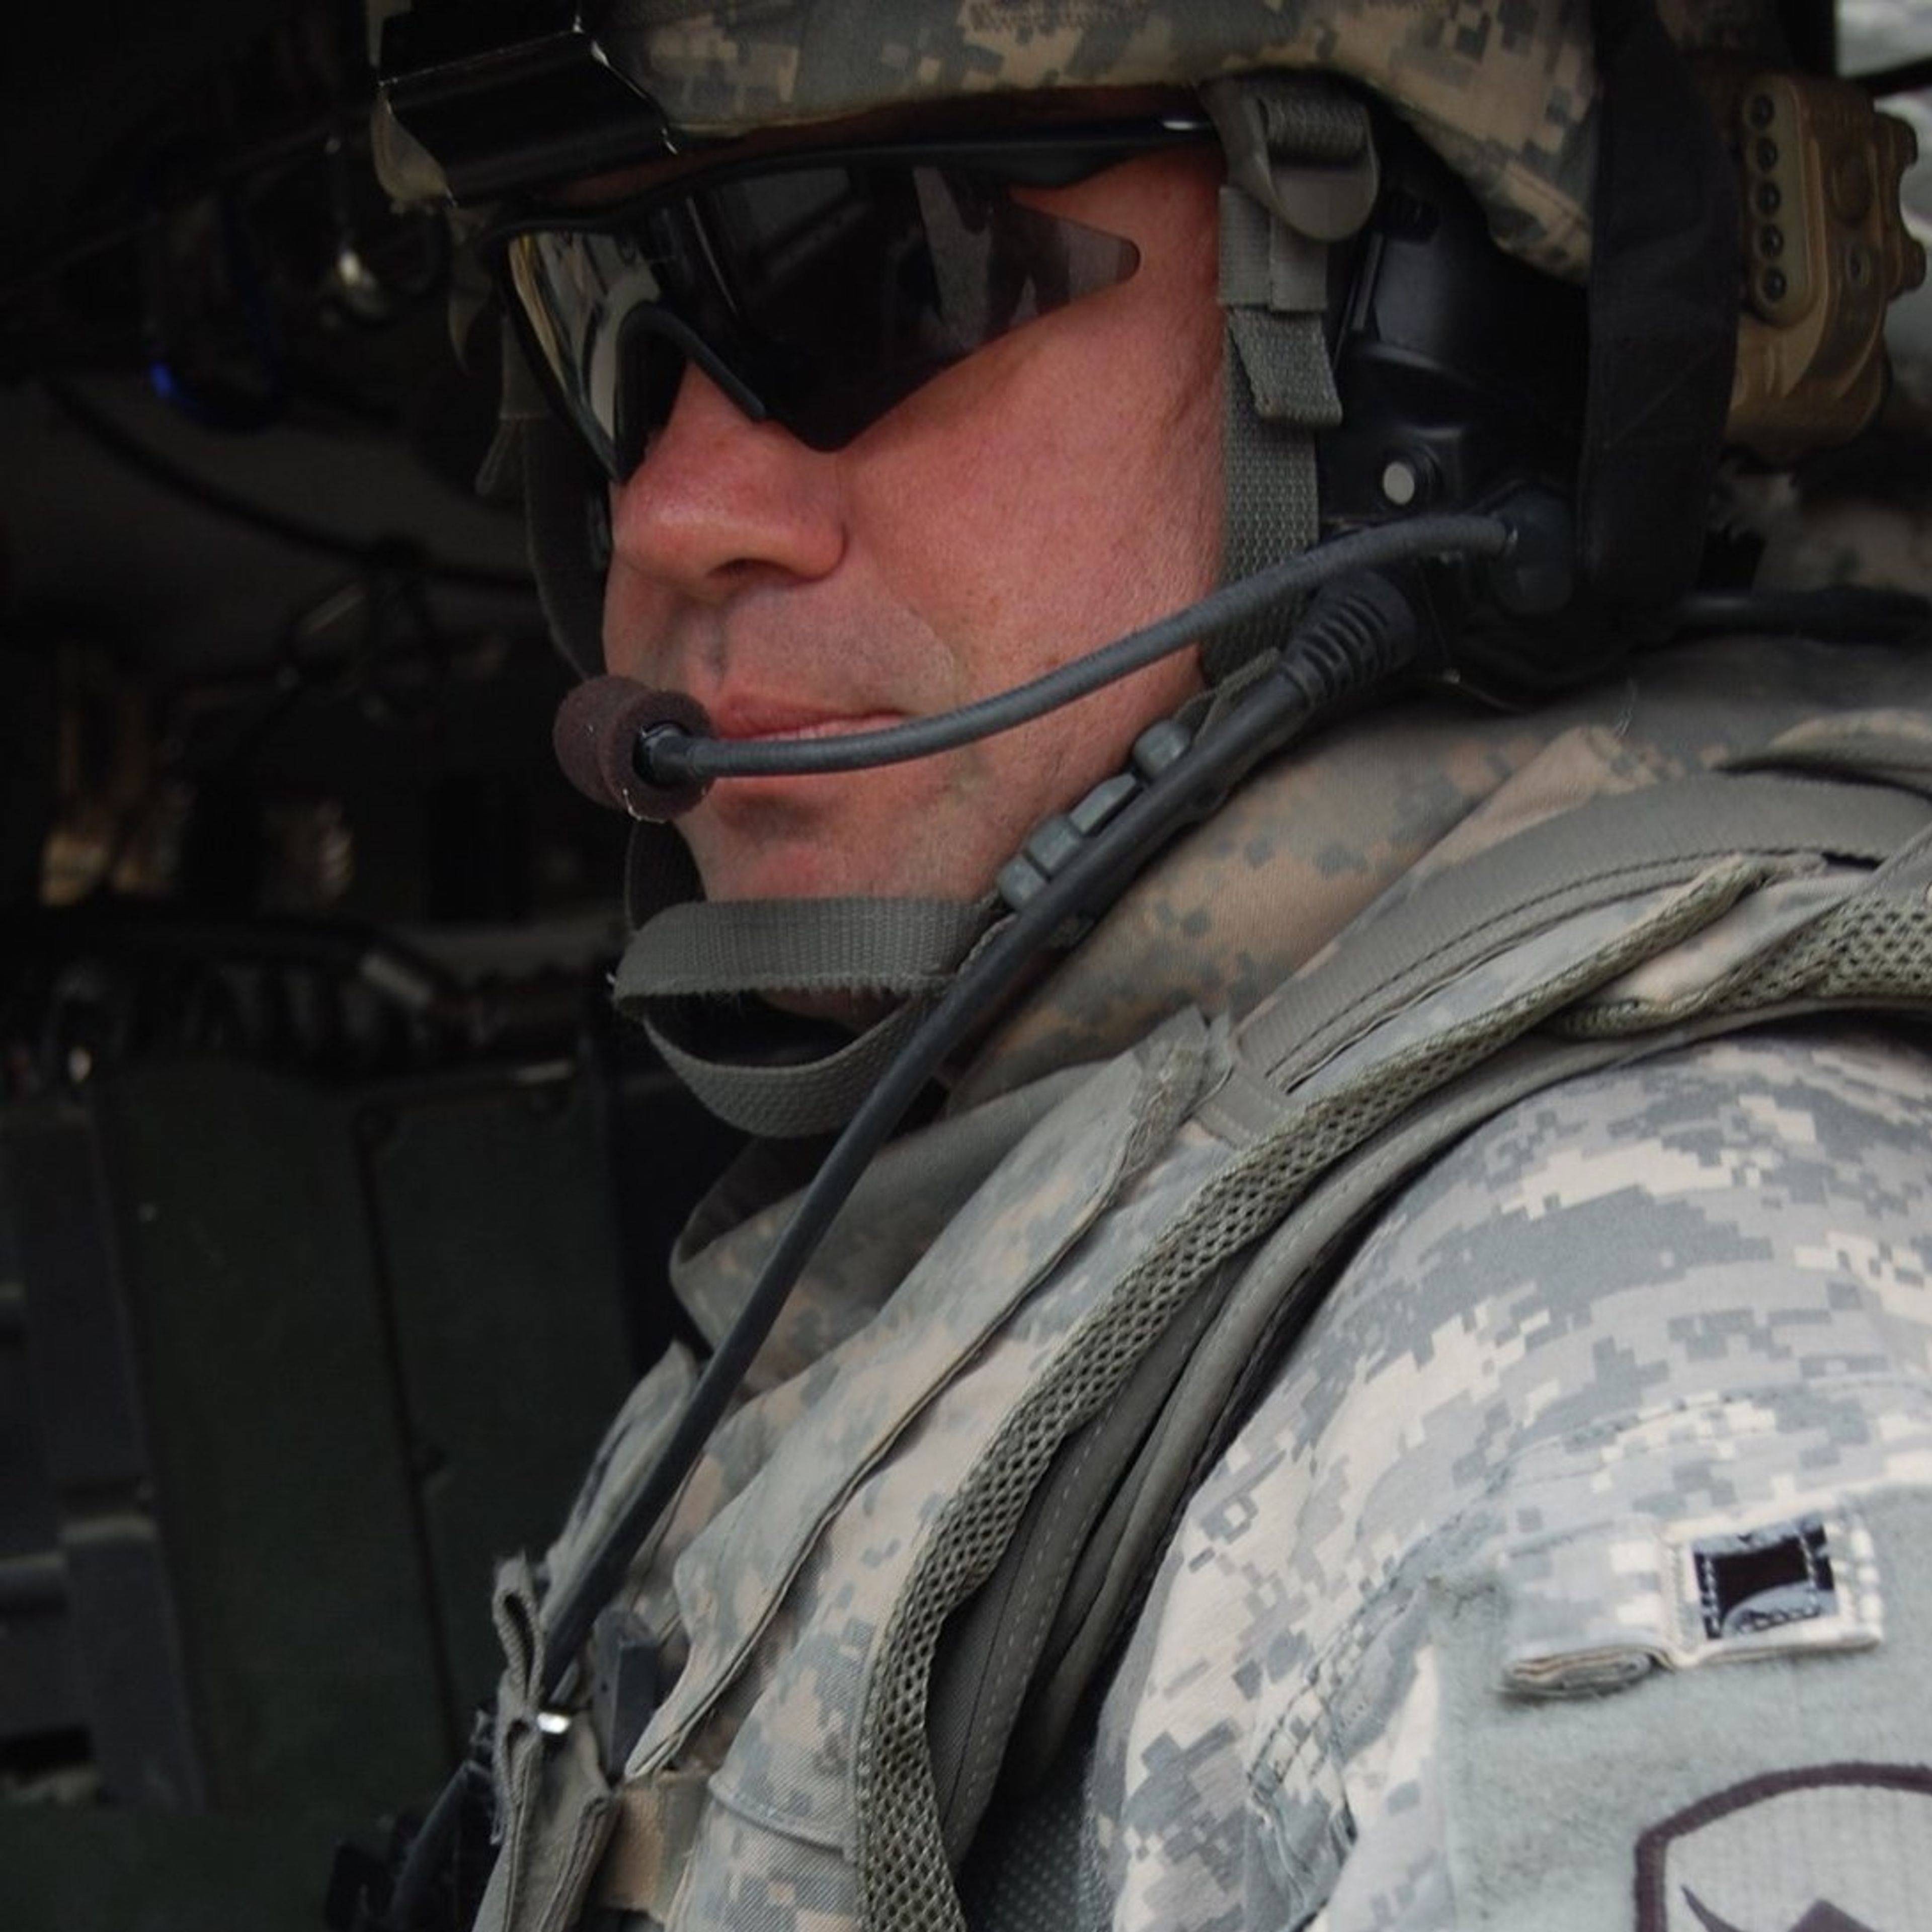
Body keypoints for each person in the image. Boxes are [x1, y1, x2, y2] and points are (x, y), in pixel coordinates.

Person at [356, 2, 1932, 1926]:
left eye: (900, 274)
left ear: (1404, 345)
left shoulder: (1662, 1364)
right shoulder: (1036, 1178)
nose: (680, 513)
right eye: (608, 323)